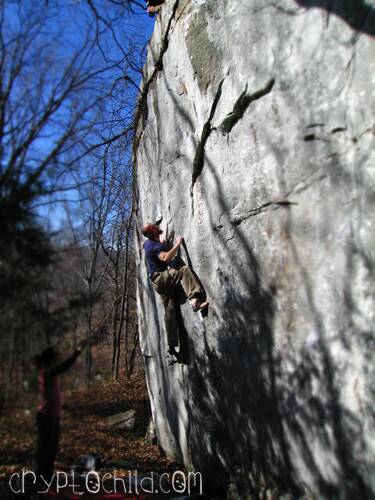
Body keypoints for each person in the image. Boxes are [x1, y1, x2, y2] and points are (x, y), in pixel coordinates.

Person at [142, 223, 208, 357]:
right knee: (182, 271)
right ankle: (195, 300)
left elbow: (145, 244)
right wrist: (177, 244)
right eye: (153, 227)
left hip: (157, 281)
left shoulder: (149, 243)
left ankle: (171, 346)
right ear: (152, 233)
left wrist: (160, 241)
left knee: (169, 310)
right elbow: (165, 257)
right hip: (161, 278)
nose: (156, 226)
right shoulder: (154, 245)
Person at [34, 340, 87, 484]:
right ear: (49, 360)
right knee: (44, 449)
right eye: (55, 358)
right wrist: (77, 351)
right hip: (46, 417)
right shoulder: (46, 372)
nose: (57, 360)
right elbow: (64, 366)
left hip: (53, 416)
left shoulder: (50, 371)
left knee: (52, 448)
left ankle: (47, 477)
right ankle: (39, 478)